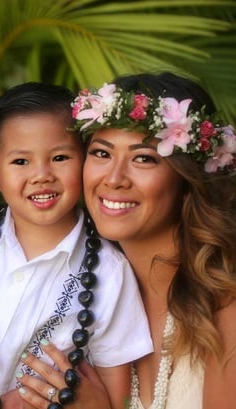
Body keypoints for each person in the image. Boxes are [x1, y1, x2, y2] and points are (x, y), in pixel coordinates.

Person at [0, 82, 153, 409]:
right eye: (21, 162)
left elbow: (115, 388)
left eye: (59, 157)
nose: (41, 175)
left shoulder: (110, 271)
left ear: (85, 163)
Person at [19, 72, 236, 409]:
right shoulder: (76, 293)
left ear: (186, 177)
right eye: (102, 154)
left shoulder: (224, 305)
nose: (114, 178)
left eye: (143, 158)